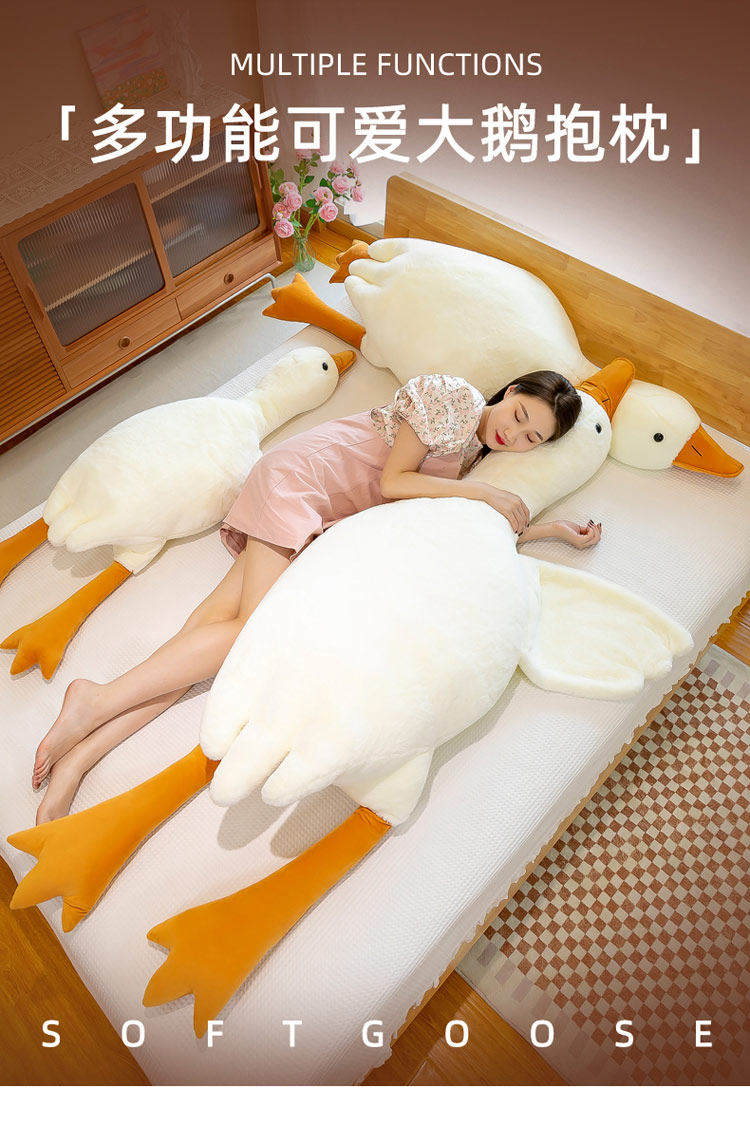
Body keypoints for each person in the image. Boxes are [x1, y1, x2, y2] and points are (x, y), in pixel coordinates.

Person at [31, 370, 601, 824]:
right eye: (520, 416)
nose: (515, 436)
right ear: (511, 391)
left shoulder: (472, 456)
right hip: (302, 483)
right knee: (248, 633)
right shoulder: (454, 397)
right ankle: (95, 700)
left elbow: (457, 527)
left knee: (203, 637)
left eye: (533, 439)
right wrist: (483, 492)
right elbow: (394, 482)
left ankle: (80, 758)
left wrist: (548, 530)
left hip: (317, 518)